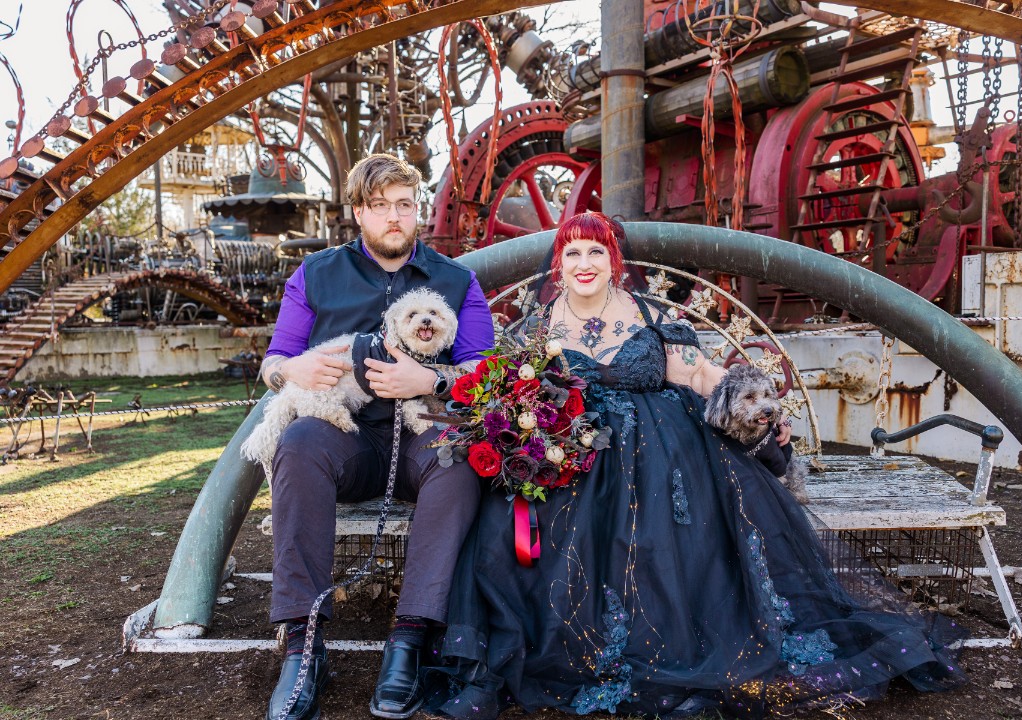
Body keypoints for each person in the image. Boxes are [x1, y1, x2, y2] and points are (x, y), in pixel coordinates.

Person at [423, 211, 966, 718]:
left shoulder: (648, 318)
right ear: (558, 265)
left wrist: (750, 402)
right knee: (507, 527)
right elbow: (514, 397)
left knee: (676, 531)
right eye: (572, 253)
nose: (584, 263)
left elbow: (703, 377)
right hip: (575, 453)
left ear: (614, 261)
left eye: (595, 251)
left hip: (663, 452)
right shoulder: (537, 331)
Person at [258, 153, 494, 720]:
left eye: (405, 206)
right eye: (381, 206)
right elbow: (273, 360)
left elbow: (487, 371)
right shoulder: (315, 274)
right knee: (299, 443)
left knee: (456, 457)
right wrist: (290, 372)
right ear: (359, 212)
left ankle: (410, 639)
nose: (395, 217)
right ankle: (303, 644)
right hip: (349, 442)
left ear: (418, 213)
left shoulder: (457, 281)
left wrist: (432, 377)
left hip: (421, 433)